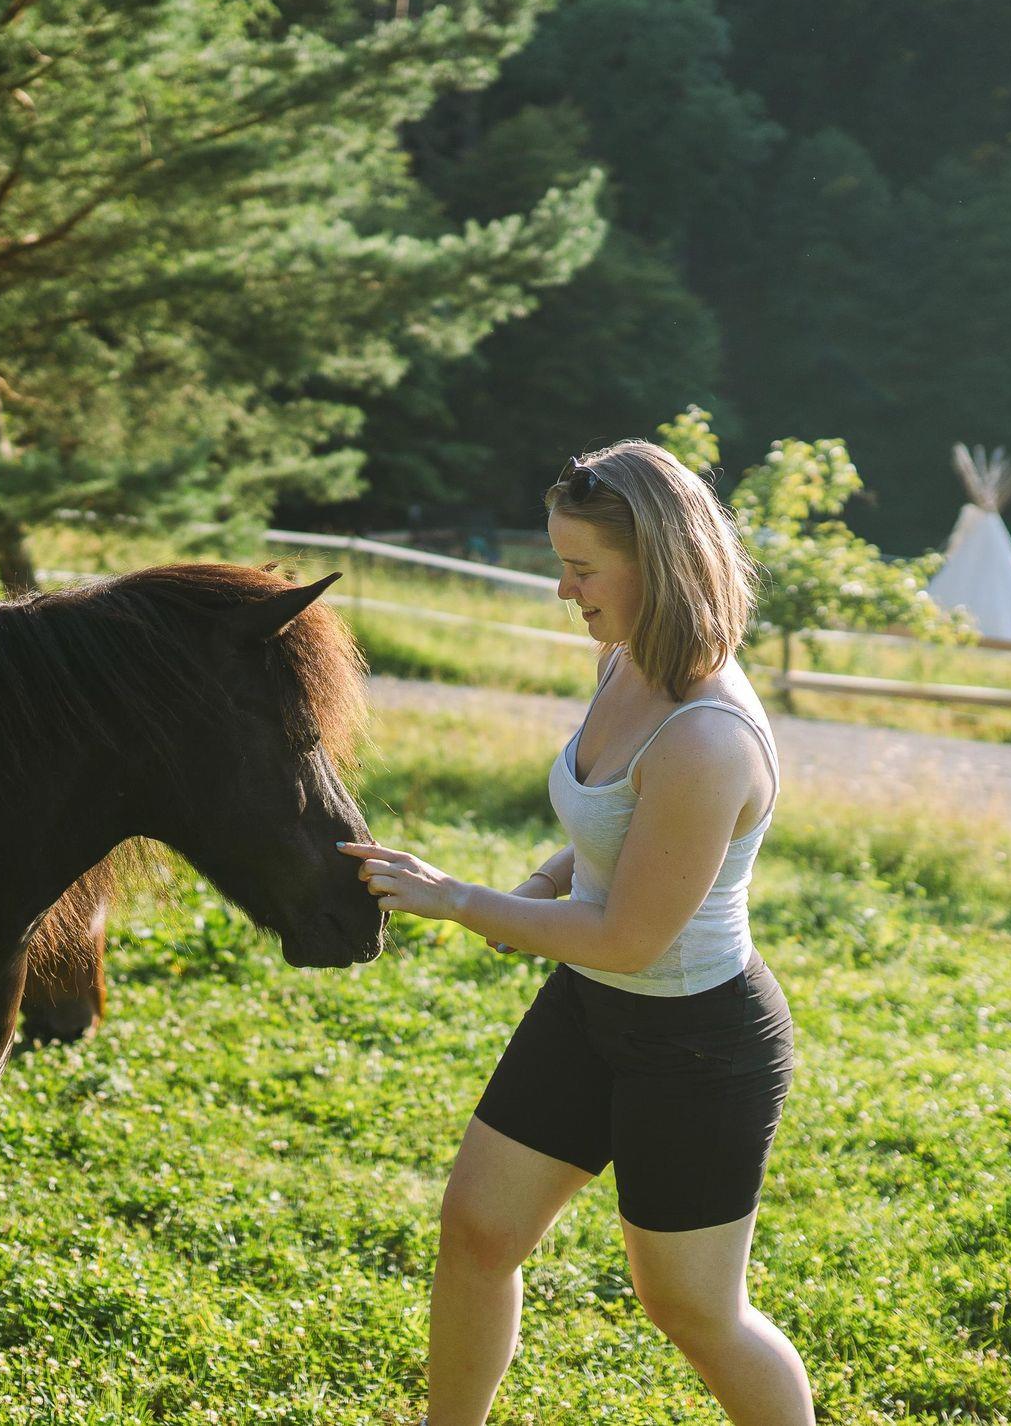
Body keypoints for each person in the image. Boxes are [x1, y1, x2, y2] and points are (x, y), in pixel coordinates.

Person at [340, 440, 813, 1426]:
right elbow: (611, 834)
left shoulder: (707, 737)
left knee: (690, 1305)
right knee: (478, 1230)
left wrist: (462, 899)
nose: (564, 590)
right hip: (592, 1008)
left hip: (697, 1040)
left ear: (658, 565)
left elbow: (628, 937)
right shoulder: (622, 659)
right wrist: (539, 883)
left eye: (581, 568)